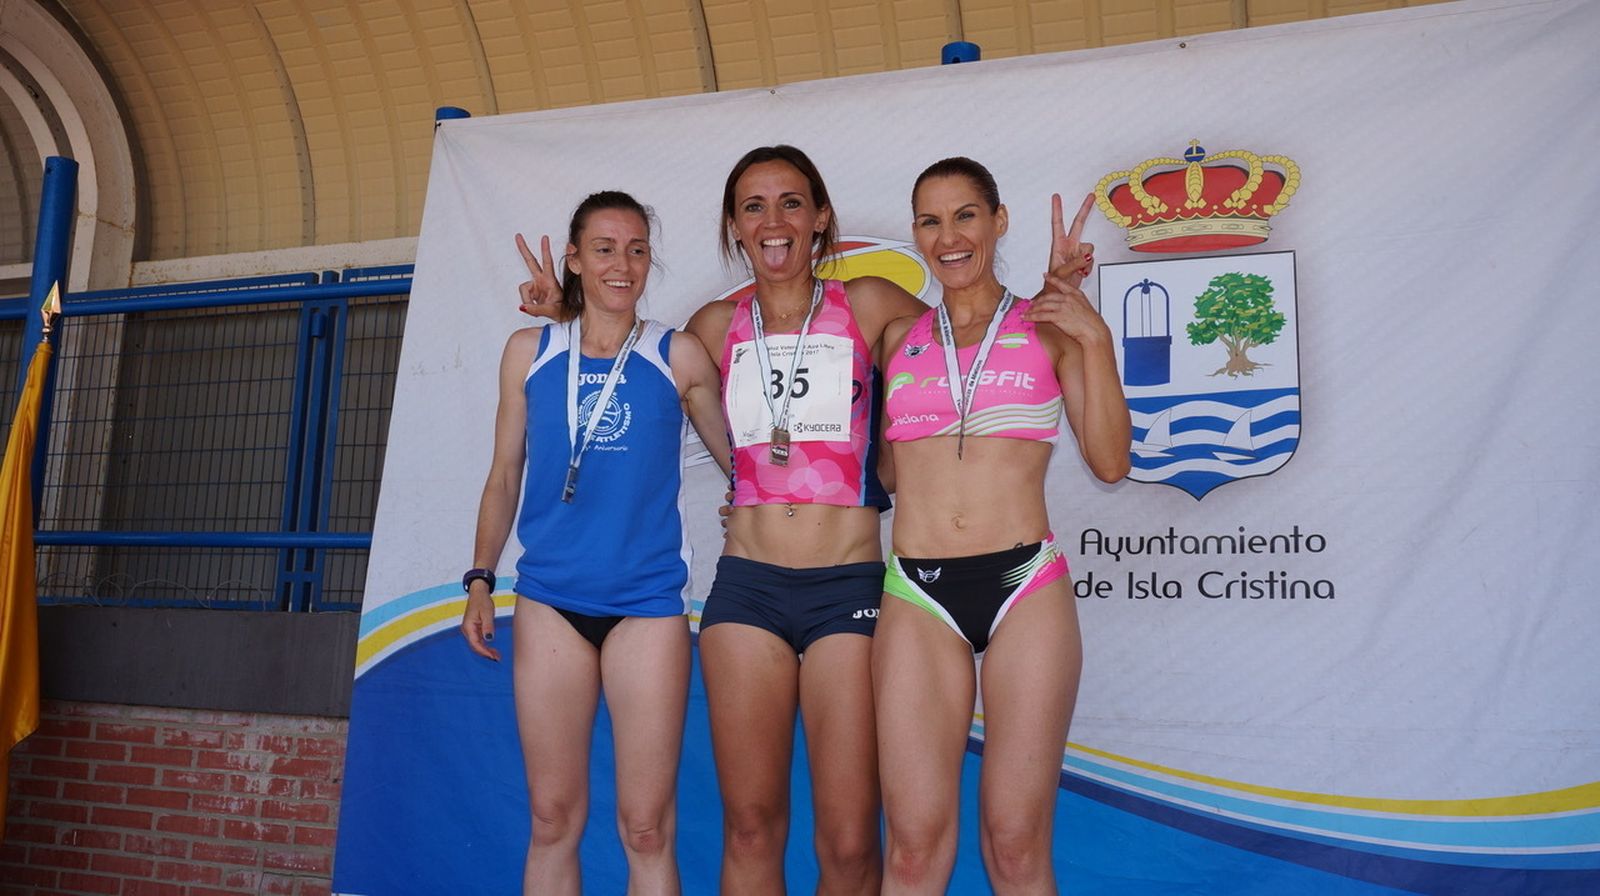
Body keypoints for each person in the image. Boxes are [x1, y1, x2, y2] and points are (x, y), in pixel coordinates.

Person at [459, 190, 731, 896]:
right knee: (552, 818)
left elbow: (743, 465)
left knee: (646, 828)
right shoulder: (529, 352)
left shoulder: (679, 355)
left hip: (647, 605)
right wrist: (480, 577)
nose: (623, 264)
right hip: (551, 601)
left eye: (637, 250)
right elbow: (504, 474)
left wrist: (768, 504)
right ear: (575, 260)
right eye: (605, 249)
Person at [872, 158, 1131, 894]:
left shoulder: (1051, 327)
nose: (949, 237)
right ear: (916, 233)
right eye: (931, 221)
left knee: (1015, 845)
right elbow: (880, 473)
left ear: (998, 221)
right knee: (913, 849)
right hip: (918, 591)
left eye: (965, 216)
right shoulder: (896, 337)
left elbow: (1111, 462)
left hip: (1024, 586)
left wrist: (1094, 338)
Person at [683, 145, 926, 895]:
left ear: (820, 217)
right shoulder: (713, 326)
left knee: (849, 842)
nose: (774, 221)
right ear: (734, 225)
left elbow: (969, 346)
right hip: (746, 588)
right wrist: (563, 317)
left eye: (791, 202)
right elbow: (626, 367)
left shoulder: (873, 302)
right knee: (750, 825)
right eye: (753, 207)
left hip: (846, 587)